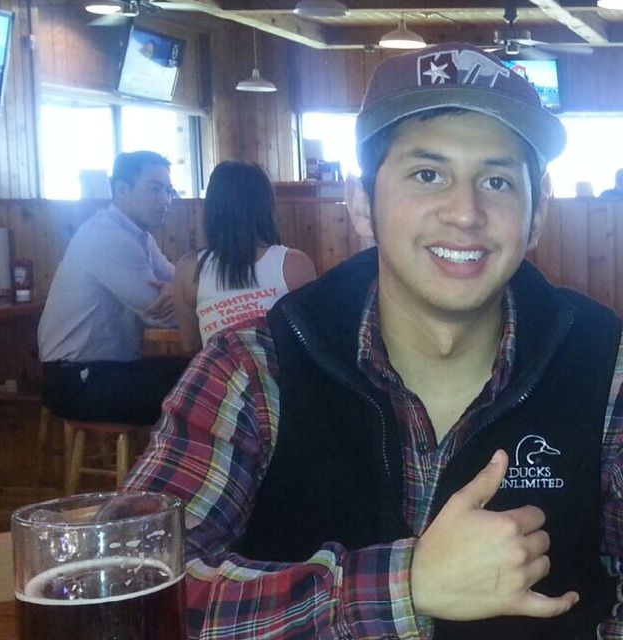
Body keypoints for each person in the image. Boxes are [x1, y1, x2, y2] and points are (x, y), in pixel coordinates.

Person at [124, 43, 623, 638]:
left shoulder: (607, 368)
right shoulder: (251, 369)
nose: (465, 213)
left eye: (497, 180)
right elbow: (142, 586)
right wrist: (406, 587)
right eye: (428, 175)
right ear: (363, 204)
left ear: (535, 215)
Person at [38, 150, 188, 426]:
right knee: (203, 390)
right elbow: (159, 313)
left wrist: (179, 290)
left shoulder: (137, 236)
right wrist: (194, 297)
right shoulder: (108, 236)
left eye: (169, 191)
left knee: (203, 373)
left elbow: (178, 280)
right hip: (77, 380)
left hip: (105, 371)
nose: (166, 200)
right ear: (121, 189)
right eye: (155, 189)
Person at [174, 160, 317, 353]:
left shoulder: (189, 268)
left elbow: (190, 345)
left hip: (220, 371)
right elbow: (313, 342)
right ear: (266, 207)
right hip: (282, 372)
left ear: (212, 209)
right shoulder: (295, 264)